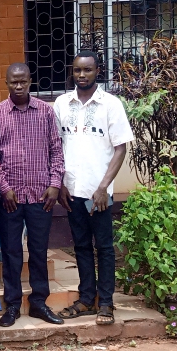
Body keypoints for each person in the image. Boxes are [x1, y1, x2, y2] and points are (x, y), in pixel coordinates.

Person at [55, 51, 134, 326]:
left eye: (87, 70)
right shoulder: (62, 103)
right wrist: (60, 184)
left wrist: (103, 188)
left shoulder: (110, 104)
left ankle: (107, 303)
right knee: (80, 246)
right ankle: (87, 299)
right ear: (72, 72)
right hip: (72, 191)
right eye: (77, 70)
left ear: (97, 71)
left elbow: (120, 148)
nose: (82, 75)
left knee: (104, 247)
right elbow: (56, 146)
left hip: (98, 194)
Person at [0, 63, 65, 328]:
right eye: (13, 82)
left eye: (23, 82)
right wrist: (4, 188)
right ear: (6, 83)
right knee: (11, 252)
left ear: (30, 81)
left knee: (39, 250)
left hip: (42, 195)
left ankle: (39, 302)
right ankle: (13, 304)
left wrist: (55, 184)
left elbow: (56, 149)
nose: (18, 86)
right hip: (10, 198)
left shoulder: (45, 111)